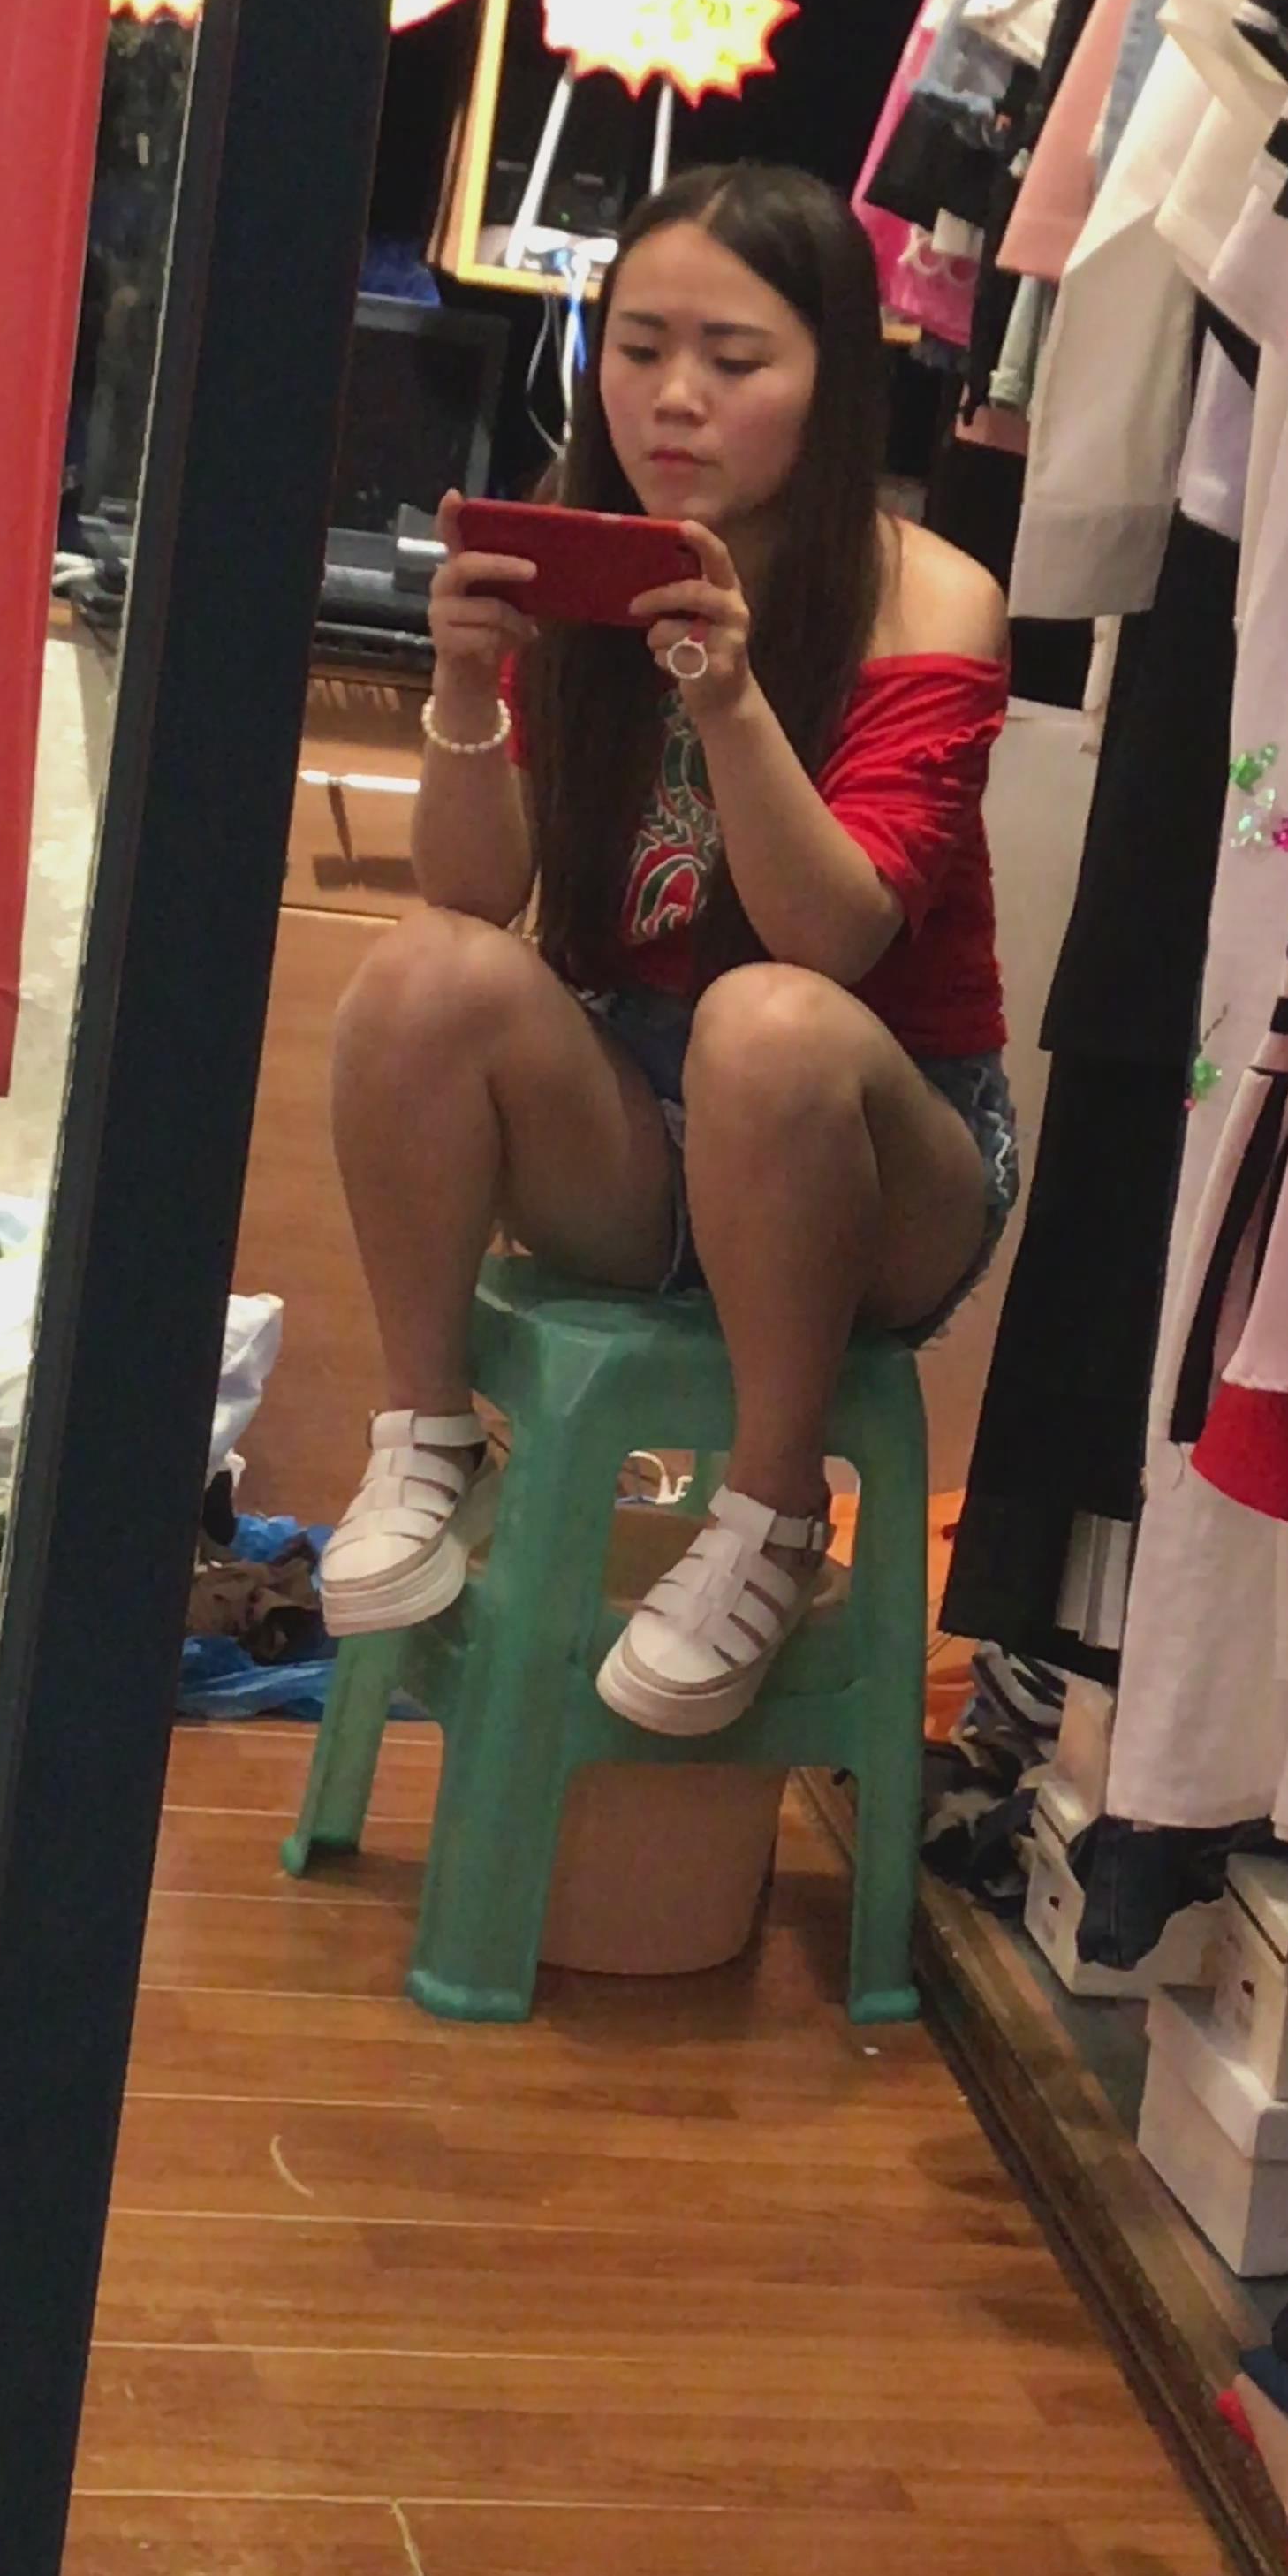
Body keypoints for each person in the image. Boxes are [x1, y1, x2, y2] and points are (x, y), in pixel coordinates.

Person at [322, 163, 1018, 1735]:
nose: (674, 397)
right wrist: (464, 687)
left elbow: (833, 937)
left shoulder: (930, 600)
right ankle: (427, 1435)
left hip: (877, 1143)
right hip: (637, 1124)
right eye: (638, 349)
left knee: (767, 1022)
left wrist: (729, 695)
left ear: (835, 380)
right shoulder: (578, 557)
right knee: (421, 972)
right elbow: (472, 895)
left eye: (735, 357)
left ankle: (773, 1514)